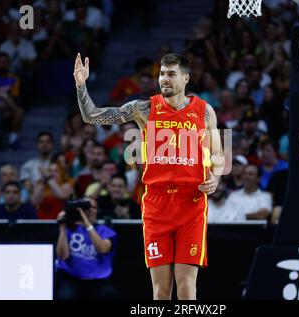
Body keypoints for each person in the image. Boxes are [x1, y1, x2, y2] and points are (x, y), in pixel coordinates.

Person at [73, 52, 224, 300]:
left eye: (171, 74)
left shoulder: (205, 112)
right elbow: (91, 116)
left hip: (191, 204)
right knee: (161, 292)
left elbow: (218, 154)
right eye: (162, 74)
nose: (164, 79)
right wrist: (81, 85)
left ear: (186, 78)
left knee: (187, 289)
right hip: (157, 204)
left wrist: (216, 177)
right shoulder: (143, 108)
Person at [55, 197, 119, 300]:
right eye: (86, 207)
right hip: (72, 279)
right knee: (67, 295)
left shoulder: (104, 230)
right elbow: (63, 256)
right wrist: (62, 229)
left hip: (98, 281)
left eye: (93, 207)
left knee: (109, 295)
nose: (89, 210)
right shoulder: (70, 229)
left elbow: (103, 249)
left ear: (97, 211)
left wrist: (87, 225)